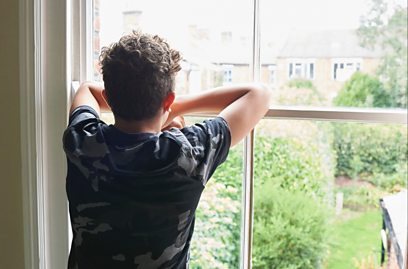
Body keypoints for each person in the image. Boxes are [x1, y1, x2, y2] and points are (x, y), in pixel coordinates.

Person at [63, 31, 270, 269]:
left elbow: (87, 90)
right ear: (168, 100)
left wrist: (163, 110)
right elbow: (259, 95)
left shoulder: (83, 141)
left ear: (108, 99)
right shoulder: (187, 153)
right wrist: (171, 108)